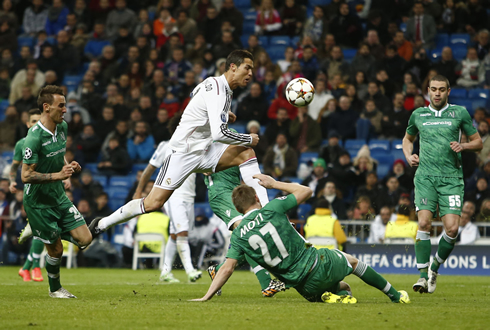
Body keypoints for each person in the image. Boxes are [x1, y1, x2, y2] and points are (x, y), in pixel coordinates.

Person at [89, 51, 269, 257]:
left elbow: (195, 95)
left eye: (252, 69)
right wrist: (248, 138)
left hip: (205, 150)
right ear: (233, 67)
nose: (251, 73)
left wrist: (217, 112)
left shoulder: (218, 87)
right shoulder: (219, 89)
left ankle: (264, 211)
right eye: (248, 67)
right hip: (183, 153)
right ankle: (102, 223)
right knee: (153, 203)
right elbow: (219, 133)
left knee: (247, 154)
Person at [191, 175, 410, 304]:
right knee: (353, 262)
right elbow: (306, 190)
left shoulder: (238, 235)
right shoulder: (272, 208)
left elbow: (227, 269)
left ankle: (331, 297)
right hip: (317, 263)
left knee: (342, 286)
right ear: (257, 197)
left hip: (303, 287)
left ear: (237, 208)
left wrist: (206, 296)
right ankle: (395, 296)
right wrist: (274, 183)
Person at [403, 74, 482, 294]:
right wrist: (410, 156)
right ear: (428, 90)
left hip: (451, 179)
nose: (437, 93)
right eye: (434, 89)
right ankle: (421, 276)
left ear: (448, 92)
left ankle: (434, 268)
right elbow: (407, 139)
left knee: (453, 229)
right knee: (424, 223)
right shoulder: (418, 114)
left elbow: (478, 142)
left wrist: (463, 146)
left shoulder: (460, 113)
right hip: (426, 177)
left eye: (442, 89)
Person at [19, 85, 91, 298]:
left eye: (65, 105)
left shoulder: (63, 127)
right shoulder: (34, 138)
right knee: (57, 250)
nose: (65, 110)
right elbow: (25, 176)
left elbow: (59, 153)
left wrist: (68, 167)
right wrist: (56, 176)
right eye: (61, 106)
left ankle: (41, 231)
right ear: (46, 107)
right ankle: (55, 289)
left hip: (57, 196)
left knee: (85, 239)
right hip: (38, 202)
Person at [132, 117, 202, 283]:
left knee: (175, 234)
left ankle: (165, 271)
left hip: (189, 197)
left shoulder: (196, 146)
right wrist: (138, 191)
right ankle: (190, 270)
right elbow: (149, 169)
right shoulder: (166, 146)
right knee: (182, 232)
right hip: (173, 195)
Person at [204, 162, 285, 297]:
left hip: (235, 194)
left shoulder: (238, 144)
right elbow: (186, 155)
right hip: (220, 193)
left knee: (250, 235)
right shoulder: (211, 142)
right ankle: (266, 283)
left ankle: (218, 270)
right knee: (247, 231)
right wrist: (200, 165)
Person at [9, 109, 44, 282]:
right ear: (27, 123)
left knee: (46, 229)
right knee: (45, 229)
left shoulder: (47, 140)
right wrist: (11, 181)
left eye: (39, 121)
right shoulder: (21, 144)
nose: (36, 124)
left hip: (48, 188)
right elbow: (14, 167)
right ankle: (35, 266)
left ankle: (26, 268)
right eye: (33, 121)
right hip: (32, 191)